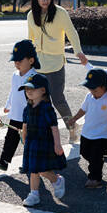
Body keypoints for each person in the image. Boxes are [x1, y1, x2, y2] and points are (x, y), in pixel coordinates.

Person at [27, 0, 88, 143]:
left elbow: (72, 33)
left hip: (55, 64)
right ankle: (40, 134)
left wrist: (78, 52)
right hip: (38, 64)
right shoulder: (30, 15)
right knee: (34, 99)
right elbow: (30, 39)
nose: (45, 0)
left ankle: (72, 127)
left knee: (58, 99)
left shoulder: (60, 13)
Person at [0, 39, 39, 172]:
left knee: (28, 140)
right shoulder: (15, 75)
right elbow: (12, 92)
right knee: (10, 138)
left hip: (29, 116)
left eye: (20, 61)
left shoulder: (34, 77)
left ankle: (30, 164)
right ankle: (4, 161)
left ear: (31, 60)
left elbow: (38, 99)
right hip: (16, 113)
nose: (16, 64)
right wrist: (8, 105)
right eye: (15, 61)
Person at [19, 74, 67, 206]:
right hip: (31, 143)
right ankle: (34, 194)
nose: (28, 91)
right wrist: (24, 139)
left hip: (44, 142)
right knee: (33, 170)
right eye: (26, 89)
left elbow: (54, 127)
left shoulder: (47, 108)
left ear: (43, 90)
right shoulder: (27, 108)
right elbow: (25, 126)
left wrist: (57, 144)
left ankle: (56, 180)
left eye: (32, 89)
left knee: (42, 169)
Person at [68, 69, 107, 188]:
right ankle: (95, 167)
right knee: (85, 153)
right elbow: (83, 109)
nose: (92, 92)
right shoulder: (89, 96)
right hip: (87, 133)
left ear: (104, 87)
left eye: (95, 89)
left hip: (102, 135)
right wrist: (74, 118)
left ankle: (95, 178)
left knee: (96, 157)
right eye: (90, 89)